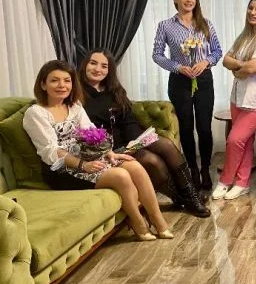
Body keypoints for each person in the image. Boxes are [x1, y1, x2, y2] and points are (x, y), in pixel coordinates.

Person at [23, 60, 173, 241]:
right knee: (121, 175)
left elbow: (92, 133)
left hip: (87, 157)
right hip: (61, 169)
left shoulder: (74, 106)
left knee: (134, 166)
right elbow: (51, 151)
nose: (62, 85)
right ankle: (137, 222)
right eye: (54, 80)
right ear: (43, 84)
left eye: (67, 80)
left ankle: (157, 219)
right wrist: (82, 165)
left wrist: (109, 153)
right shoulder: (36, 113)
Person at [79, 49, 210, 218]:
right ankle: (181, 198)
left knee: (166, 145)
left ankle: (190, 194)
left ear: (109, 70)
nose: (98, 69)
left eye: (104, 66)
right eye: (93, 63)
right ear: (85, 65)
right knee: (151, 160)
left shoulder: (114, 90)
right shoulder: (77, 94)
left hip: (128, 141)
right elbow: (85, 131)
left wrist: (135, 141)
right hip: (106, 149)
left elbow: (129, 119)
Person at [152, 0, 223, 192]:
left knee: (204, 127)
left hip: (203, 80)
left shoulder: (206, 24)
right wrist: (178, 67)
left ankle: (205, 169)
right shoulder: (165, 26)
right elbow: (157, 55)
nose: (189, 0)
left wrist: (206, 62)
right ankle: (192, 169)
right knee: (185, 127)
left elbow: (217, 51)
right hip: (179, 81)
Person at [213, 0, 256, 201]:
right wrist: (242, 65)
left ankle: (225, 181)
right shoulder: (244, 36)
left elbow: (253, 67)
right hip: (238, 97)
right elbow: (226, 60)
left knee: (234, 140)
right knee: (245, 142)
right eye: (251, 8)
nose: (253, 12)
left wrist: (239, 66)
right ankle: (242, 183)